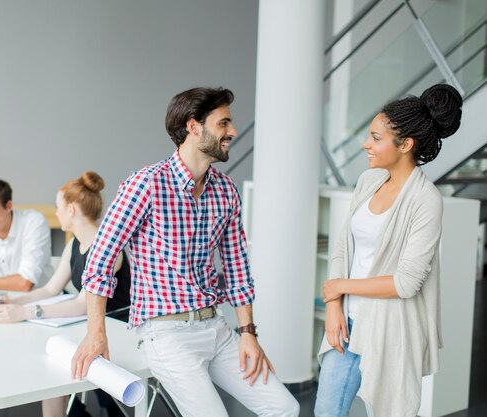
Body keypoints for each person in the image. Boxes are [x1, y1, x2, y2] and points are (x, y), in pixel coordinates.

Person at [71, 87, 300, 417]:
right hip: (166, 334)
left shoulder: (225, 191)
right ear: (194, 127)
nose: (233, 132)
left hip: (217, 328)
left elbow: (237, 268)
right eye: (224, 123)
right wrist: (96, 334)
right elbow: (100, 260)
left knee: (284, 408)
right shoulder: (146, 184)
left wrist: (248, 333)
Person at [314, 84, 463, 417]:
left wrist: (338, 287)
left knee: (387, 410)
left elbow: (406, 283)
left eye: (376, 137)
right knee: (326, 410)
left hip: (391, 329)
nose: (366, 144)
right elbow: (343, 247)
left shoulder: (426, 201)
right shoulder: (369, 181)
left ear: (406, 145)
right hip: (346, 324)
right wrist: (334, 305)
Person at [0, 171, 131, 417]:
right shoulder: (74, 244)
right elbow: (50, 289)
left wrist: (24, 312)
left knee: (53, 356)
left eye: (58, 206)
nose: (56, 212)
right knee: (50, 351)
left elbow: (83, 305)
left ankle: (77, 411)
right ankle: (75, 411)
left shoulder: (107, 248)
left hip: (116, 331)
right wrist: (12, 301)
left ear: (71, 209)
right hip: (92, 327)